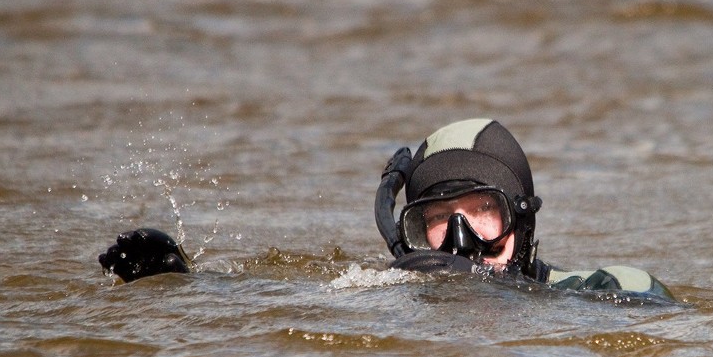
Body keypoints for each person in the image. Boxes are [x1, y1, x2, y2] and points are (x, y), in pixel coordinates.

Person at [99, 118, 675, 301]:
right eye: (436, 219)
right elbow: (277, 300)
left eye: (481, 212)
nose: (459, 241)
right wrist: (179, 281)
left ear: (522, 223)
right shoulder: (387, 290)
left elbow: (661, 317)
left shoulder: (601, 287)